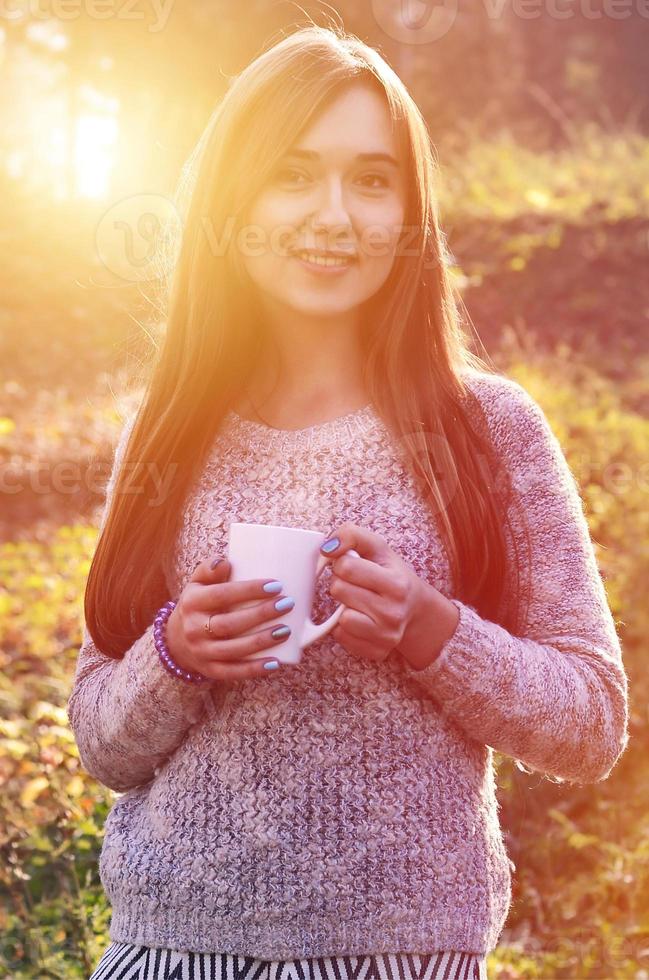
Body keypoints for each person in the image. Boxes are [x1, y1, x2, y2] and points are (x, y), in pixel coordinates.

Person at [68, 24, 629, 980]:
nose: (334, 214)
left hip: (406, 958)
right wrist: (174, 655)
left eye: (372, 180)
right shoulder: (166, 433)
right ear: (232, 202)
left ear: (411, 210)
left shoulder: (487, 430)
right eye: (293, 173)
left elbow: (590, 722)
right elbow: (101, 738)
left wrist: (434, 631)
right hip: (171, 952)